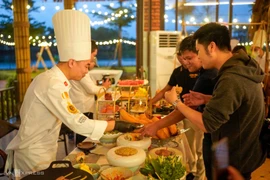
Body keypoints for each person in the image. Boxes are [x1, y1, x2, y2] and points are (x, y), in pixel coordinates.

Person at [4, 10, 139, 179]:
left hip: (45, 147)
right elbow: (78, 122)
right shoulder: (52, 84)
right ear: (72, 62)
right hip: (34, 153)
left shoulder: (57, 80)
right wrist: (116, 125)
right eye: (85, 66)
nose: (86, 71)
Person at [164, 23, 266, 179]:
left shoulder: (231, 78)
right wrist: (207, 99)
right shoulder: (240, 68)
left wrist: (176, 102)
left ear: (211, 47)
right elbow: (241, 101)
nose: (198, 57)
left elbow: (207, 124)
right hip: (237, 149)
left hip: (235, 158)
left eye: (198, 51)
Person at [141, 35, 218, 180]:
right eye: (183, 58)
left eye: (190, 58)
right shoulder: (182, 72)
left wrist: (173, 105)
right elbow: (167, 91)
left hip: (206, 124)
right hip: (192, 117)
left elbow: (187, 109)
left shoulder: (210, 75)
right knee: (190, 148)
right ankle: (193, 172)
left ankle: (199, 176)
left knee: (202, 152)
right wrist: (151, 103)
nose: (185, 62)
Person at [69, 40, 111, 145]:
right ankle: (81, 154)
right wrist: (105, 87)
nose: (93, 59)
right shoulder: (80, 69)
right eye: (94, 55)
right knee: (83, 138)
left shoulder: (82, 69)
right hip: (82, 107)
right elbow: (92, 89)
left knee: (86, 135)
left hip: (84, 106)